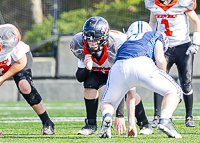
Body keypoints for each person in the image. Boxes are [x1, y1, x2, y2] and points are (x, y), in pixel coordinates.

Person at [98, 21, 183, 139]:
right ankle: (165, 120)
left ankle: (107, 116)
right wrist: (162, 78)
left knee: (107, 103)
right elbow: (160, 60)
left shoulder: (125, 43)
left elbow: (131, 94)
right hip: (142, 62)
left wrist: (131, 124)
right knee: (175, 91)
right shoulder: (155, 34)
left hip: (118, 67)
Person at [70, 16, 153, 135]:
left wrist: (119, 115)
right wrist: (87, 69)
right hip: (99, 71)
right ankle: (91, 125)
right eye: (89, 39)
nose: (92, 43)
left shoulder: (117, 45)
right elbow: (80, 78)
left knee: (128, 91)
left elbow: (120, 80)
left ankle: (145, 124)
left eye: (96, 40)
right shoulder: (78, 43)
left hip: (119, 68)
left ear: (104, 38)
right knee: (89, 85)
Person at [145, 0, 200, 128]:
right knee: (158, 81)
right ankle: (157, 117)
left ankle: (189, 117)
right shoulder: (154, 5)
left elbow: (197, 21)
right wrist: (149, 43)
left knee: (186, 84)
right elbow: (152, 25)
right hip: (164, 48)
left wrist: (195, 43)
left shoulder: (182, 3)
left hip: (183, 47)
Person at [0, 24, 55, 135]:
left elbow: (20, 63)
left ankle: (47, 122)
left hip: (15, 62)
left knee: (25, 86)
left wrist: (2, 78)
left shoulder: (14, 44)